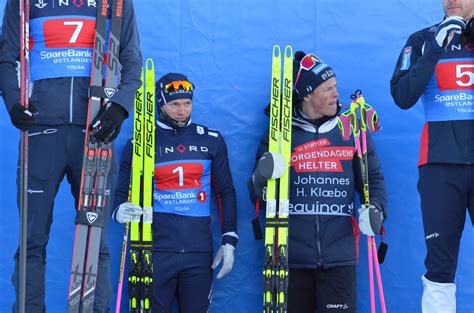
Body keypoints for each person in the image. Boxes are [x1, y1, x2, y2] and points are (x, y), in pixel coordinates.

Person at [0, 1, 142, 312]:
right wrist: (12, 101)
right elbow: (6, 57)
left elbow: (131, 60)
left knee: (95, 239)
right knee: (31, 241)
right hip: (40, 134)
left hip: (94, 134)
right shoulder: (25, 2)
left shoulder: (114, 3)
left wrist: (119, 106)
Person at [248, 51, 387, 313]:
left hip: (340, 257)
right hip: (289, 258)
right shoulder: (280, 134)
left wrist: (376, 209)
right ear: (307, 95)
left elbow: (374, 179)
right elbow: (256, 192)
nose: (336, 93)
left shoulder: (351, 128)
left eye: (335, 87)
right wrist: (263, 176)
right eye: (327, 89)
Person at [112, 72, 238, 313]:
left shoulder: (211, 140)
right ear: (161, 104)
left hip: (198, 253)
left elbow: (225, 192)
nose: (182, 111)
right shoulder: (140, 143)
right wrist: (119, 211)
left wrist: (229, 237)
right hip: (154, 251)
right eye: (175, 105)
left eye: (187, 103)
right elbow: (120, 192)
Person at [390, 1, 474, 312]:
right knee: (439, 267)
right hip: (439, 167)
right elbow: (402, 96)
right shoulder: (421, 40)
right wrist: (434, 48)